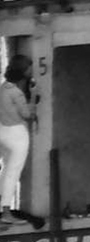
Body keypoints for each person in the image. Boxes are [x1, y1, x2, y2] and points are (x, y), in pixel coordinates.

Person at [0, 58, 40, 225]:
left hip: (2, 130)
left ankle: (2, 207)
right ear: (23, 72)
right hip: (17, 134)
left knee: (5, 171)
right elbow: (27, 115)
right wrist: (33, 99)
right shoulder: (16, 93)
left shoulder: (3, 89)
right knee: (12, 172)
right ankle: (6, 212)